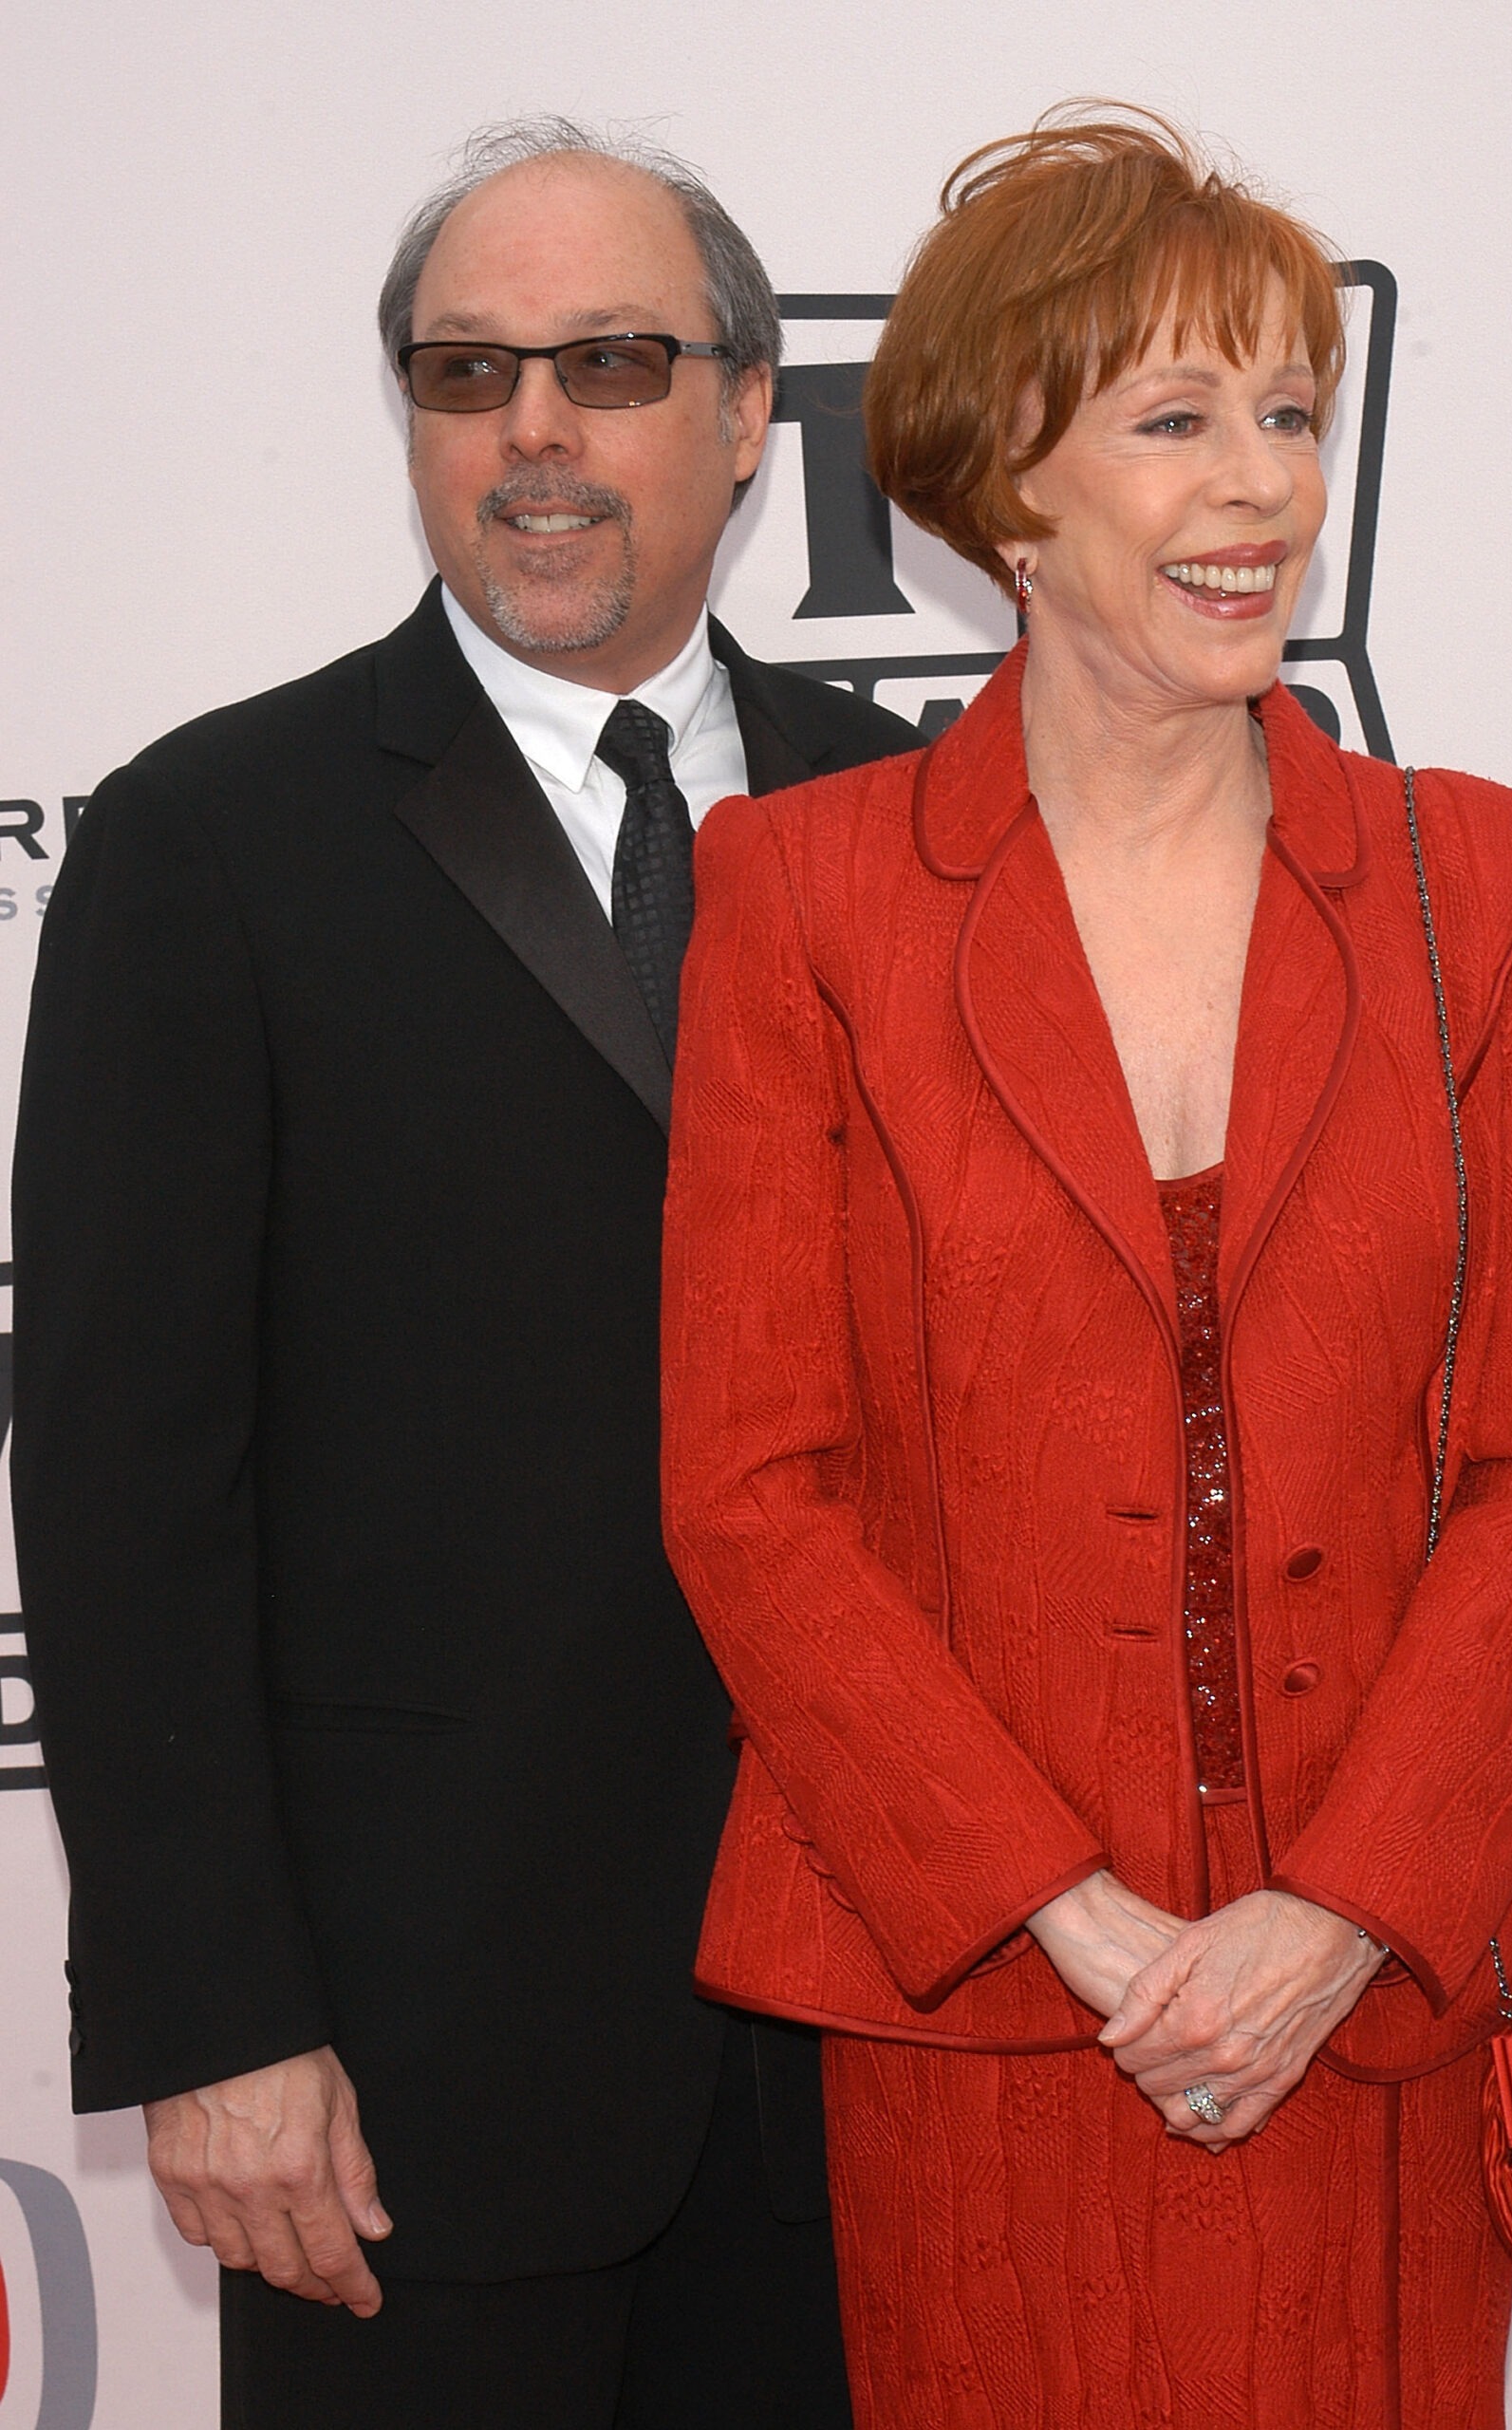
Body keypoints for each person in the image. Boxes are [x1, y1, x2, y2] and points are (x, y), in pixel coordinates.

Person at [660, 109, 1512, 2428]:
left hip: (1375, 2009)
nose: (1266, 491)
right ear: (1009, 482)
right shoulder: (800, 900)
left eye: (1293, 416)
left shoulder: (1487, 882)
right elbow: (751, 1485)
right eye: (1178, 421)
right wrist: (1078, 1923)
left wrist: (1329, 1920)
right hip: (992, 2012)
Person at [13, 116, 916, 2430]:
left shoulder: (918, 812)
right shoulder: (212, 839)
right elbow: (123, 1489)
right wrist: (213, 2017)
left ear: (743, 412)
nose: (530, 429)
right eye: (462, 369)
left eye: (607, 362)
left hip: (869, 2039)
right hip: (406, 2077)